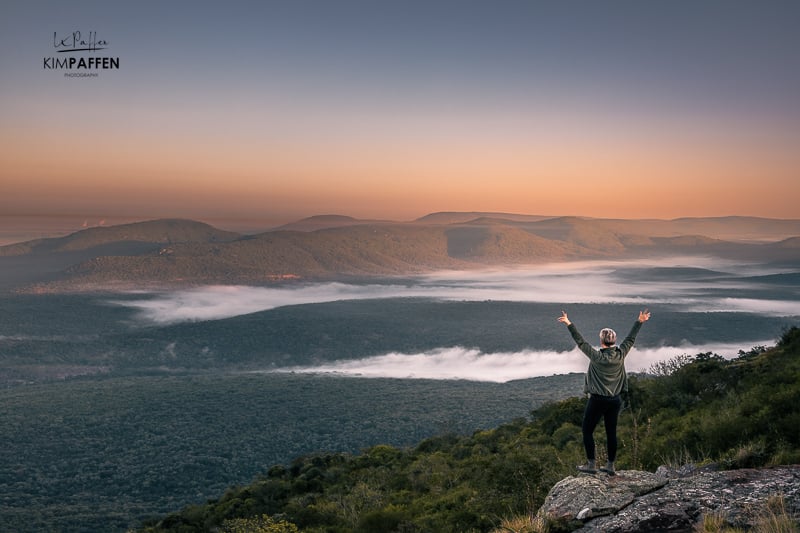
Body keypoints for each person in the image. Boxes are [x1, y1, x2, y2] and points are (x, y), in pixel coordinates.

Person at [557, 309, 651, 475]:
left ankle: (591, 464)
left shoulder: (597, 357)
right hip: (615, 400)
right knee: (611, 432)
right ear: (614, 341)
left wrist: (568, 323)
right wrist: (640, 321)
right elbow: (631, 338)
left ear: (601, 341)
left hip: (597, 400)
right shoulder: (621, 354)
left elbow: (580, 342)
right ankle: (610, 466)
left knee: (587, 430)